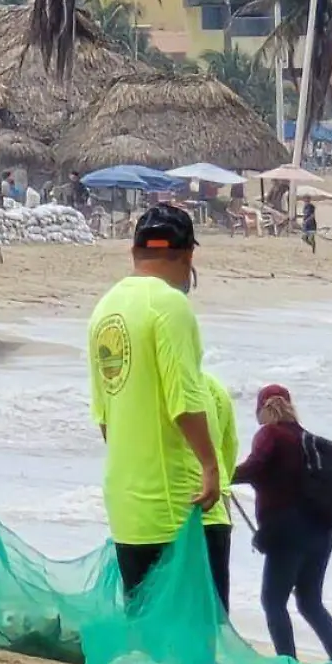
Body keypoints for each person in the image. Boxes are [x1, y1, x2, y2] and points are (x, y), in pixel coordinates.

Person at [87, 205, 223, 599]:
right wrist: (210, 466)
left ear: (133, 252)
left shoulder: (105, 308)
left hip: (126, 501)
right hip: (174, 505)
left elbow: (104, 416)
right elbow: (184, 398)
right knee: (189, 631)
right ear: (187, 257)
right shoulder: (169, 305)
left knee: (143, 626)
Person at [232, 385, 332, 662]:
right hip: (321, 532)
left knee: (273, 602)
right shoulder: (307, 439)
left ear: (262, 408)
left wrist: (218, 474)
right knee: (310, 602)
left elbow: (255, 467)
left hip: (288, 534)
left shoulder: (270, 434)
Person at [201, 369, 239, 610]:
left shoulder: (167, 385)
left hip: (179, 504)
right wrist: (222, 481)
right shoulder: (217, 387)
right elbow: (230, 444)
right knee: (216, 595)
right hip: (218, 500)